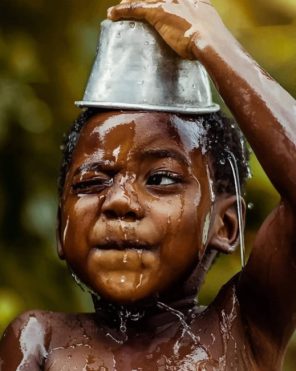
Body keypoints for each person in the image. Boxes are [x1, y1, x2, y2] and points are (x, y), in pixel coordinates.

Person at [1, 0, 295, 369]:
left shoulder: (244, 327)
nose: (119, 201)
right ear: (61, 227)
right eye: (92, 182)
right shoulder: (39, 340)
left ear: (226, 224)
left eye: (160, 179)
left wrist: (213, 43)